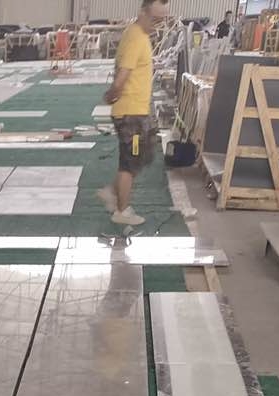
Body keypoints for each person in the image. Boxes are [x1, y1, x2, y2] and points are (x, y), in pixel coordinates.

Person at [96, 0, 170, 226]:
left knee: (143, 156)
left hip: (138, 112)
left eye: (161, 21)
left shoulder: (140, 35)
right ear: (143, 12)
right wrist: (112, 95)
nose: (157, 25)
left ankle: (112, 192)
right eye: (155, 19)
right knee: (130, 163)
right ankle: (121, 210)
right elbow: (122, 76)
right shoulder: (136, 37)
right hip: (130, 115)